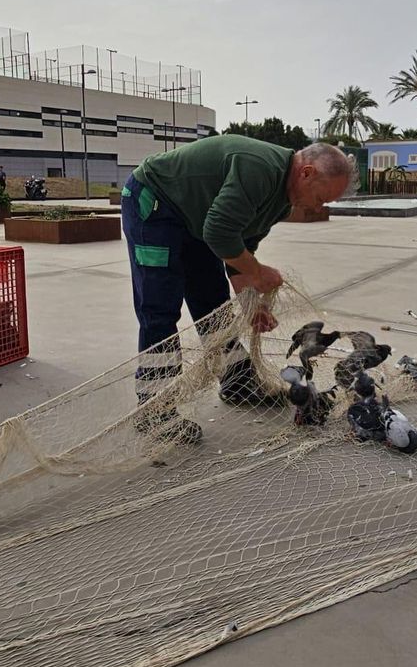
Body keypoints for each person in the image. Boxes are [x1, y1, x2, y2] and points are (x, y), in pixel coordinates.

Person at [123, 137, 352, 441]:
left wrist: (251, 304)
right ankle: (154, 410)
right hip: (154, 204)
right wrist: (258, 272)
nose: (317, 207)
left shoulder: (283, 200)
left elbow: (239, 248)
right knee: (159, 310)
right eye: (321, 198)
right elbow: (219, 233)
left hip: (196, 220)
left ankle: (237, 382)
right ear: (306, 173)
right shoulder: (258, 170)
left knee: (213, 305)